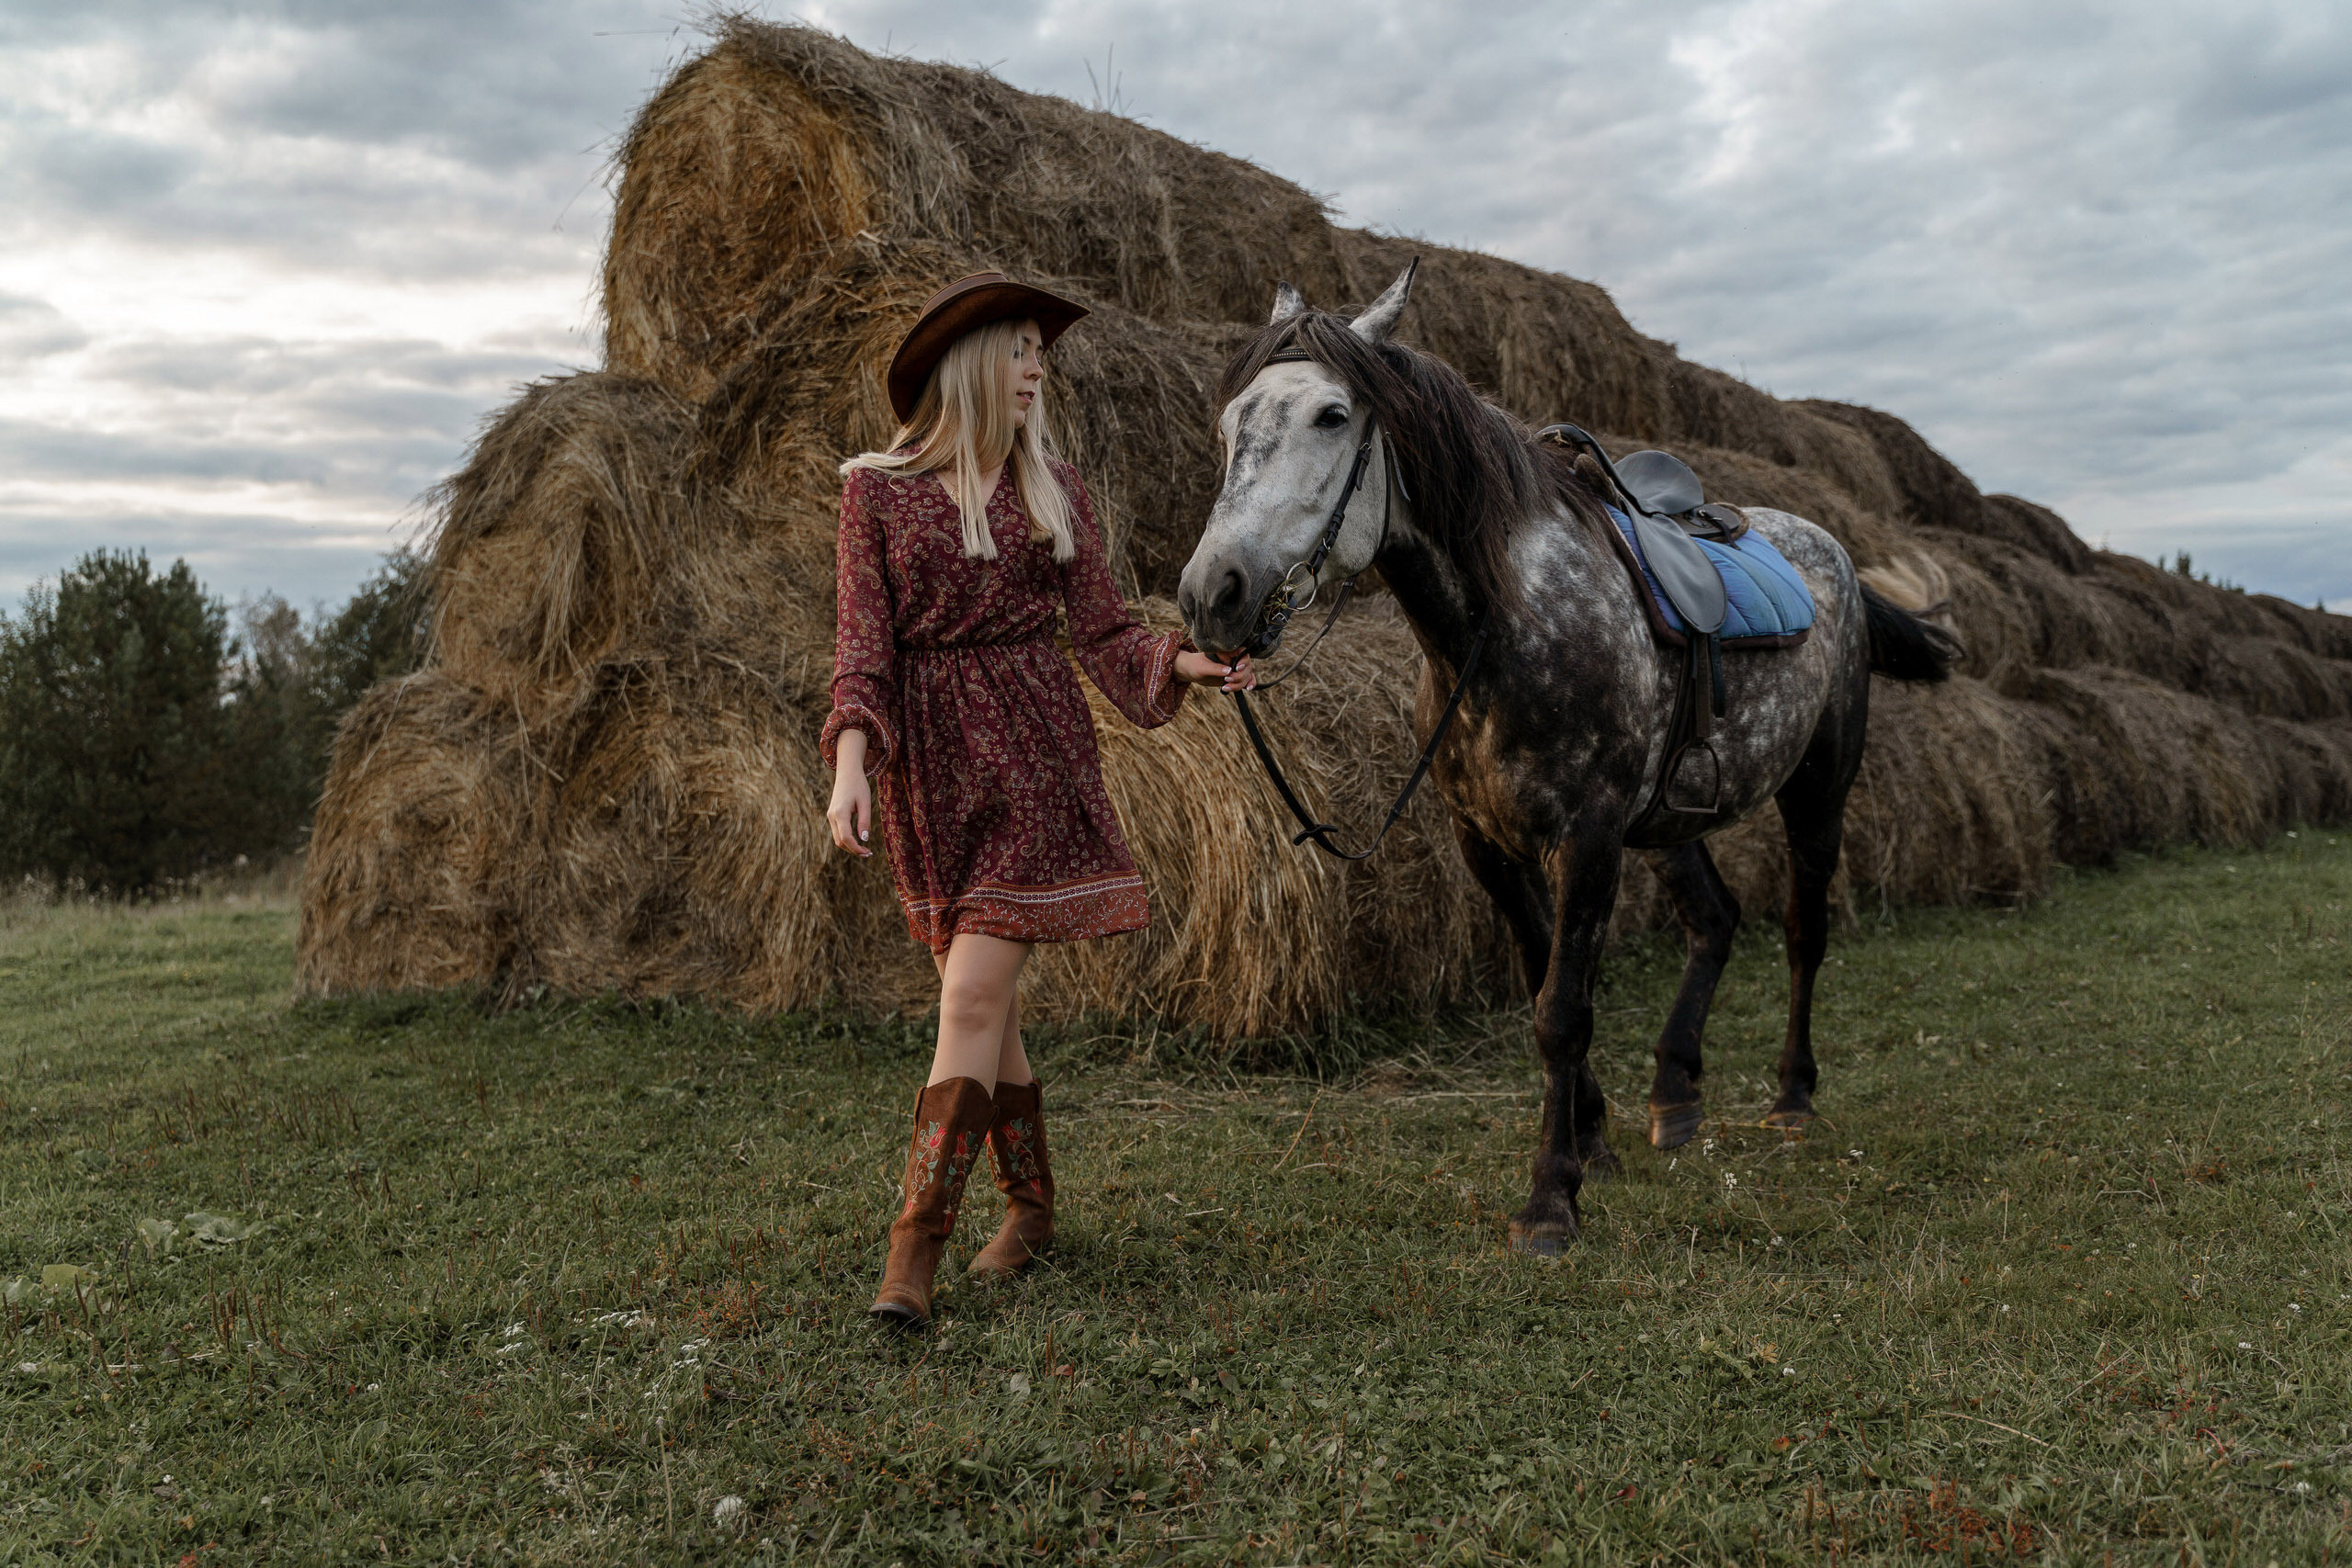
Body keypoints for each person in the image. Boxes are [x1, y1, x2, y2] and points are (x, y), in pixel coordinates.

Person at [820, 272, 1254, 1327]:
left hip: (1032, 757)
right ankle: (1033, 1209)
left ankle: (911, 1256)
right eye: (1017, 349)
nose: (1034, 367)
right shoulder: (874, 492)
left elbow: (1102, 633)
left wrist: (1178, 663)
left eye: (1036, 353)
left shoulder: (1054, 490)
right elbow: (862, 649)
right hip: (932, 772)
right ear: (969, 361)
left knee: (967, 1001)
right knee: (990, 1012)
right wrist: (850, 761)